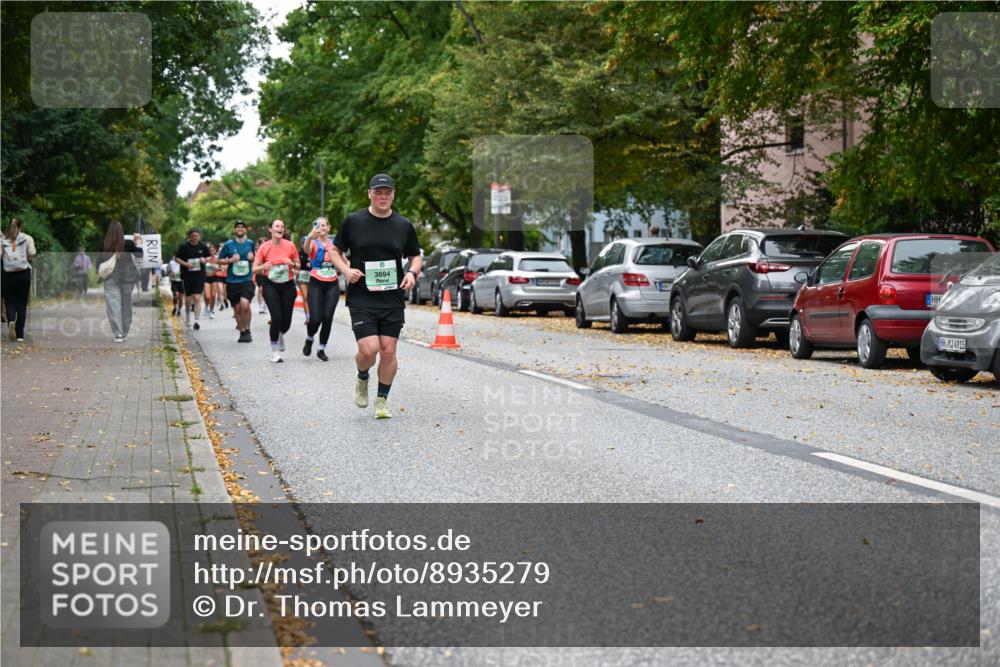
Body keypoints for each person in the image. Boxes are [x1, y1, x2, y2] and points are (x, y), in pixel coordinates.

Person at [329, 174, 421, 419]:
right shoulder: (354, 221)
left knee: (388, 351)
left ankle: (381, 401)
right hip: (362, 296)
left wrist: (412, 273)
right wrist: (346, 270)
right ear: (369, 193)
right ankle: (362, 376)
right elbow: (334, 251)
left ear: (393, 195)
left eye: (387, 192)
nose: (383, 196)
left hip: (392, 298)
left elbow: (415, 255)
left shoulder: (403, 225)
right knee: (369, 350)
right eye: (378, 192)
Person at [253, 219, 299, 362]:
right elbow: (254, 268)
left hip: (287, 285)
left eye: (282, 227)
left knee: (286, 322)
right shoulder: (264, 247)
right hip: (270, 285)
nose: (280, 228)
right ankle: (274, 352)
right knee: (276, 317)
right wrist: (263, 267)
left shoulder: (290, 245)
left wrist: (292, 263)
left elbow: (298, 265)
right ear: (270, 230)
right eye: (277, 226)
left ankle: (280, 334)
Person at [301, 218, 340, 361]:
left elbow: (342, 259)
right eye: (318, 225)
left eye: (324, 225)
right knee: (316, 318)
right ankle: (310, 338)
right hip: (316, 283)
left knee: (327, 317)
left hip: (332, 284)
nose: (321, 227)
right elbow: (306, 250)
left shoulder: (334, 244)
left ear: (328, 228)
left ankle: (322, 348)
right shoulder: (313, 242)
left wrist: (351, 269)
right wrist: (310, 237)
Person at [97, 221, 143, 342]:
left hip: (109, 278)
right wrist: (137, 243)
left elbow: (98, 263)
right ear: (121, 232)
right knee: (126, 304)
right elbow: (139, 255)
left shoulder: (104, 245)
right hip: (127, 278)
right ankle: (125, 330)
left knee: (113, 306)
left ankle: (118, 333)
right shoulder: (127, 244)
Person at [218, 219, 256, 343]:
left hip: (247, 280)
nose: (240, 228)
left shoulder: (250, 243)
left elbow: (255, 258)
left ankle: (248, 330)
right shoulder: (228, 245)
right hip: (232, 281)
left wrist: (252, 258)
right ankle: (242, 332)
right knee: (238, 309)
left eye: (242, 227)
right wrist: (230, 260)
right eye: (238, 227)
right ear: (234, 230)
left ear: (245, 230)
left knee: (245, 305)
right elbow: (219, 260)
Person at [1, 217, 37, 342]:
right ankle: (20, 334)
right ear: (21, 226)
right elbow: (32, 253)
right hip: (23, 274)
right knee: (22, 303)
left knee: (10, 301)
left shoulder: (3, 240)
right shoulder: (27, 238)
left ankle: (11, 319)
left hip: (8, 275)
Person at [173, 228, 211, 330]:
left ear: (199, 236)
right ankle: (187, 314)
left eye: (196, 236)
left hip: (200, 274)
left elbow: (209, 257)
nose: (195, 238)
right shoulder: (184, 246)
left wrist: (205, 259)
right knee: (188, 298)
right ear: (189, 237)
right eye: (193, 236)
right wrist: (186, 264)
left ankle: (196, 320)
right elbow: (176, 258)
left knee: (197, 297)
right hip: (187, 275)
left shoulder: (203, 246)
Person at [296, 238, 312, 326]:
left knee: (312, 297)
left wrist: (312, 264)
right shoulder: (299, 253)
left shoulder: (313, 252)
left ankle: (314, 315)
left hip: (313, 276)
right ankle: (308, 317)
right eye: (304, 243)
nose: (305, 245)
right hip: (302, 276)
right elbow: (295, 263)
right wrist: (296, 268)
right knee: (305, 297)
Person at [203, 242, 219, 319]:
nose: (211, 252)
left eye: (213, 250)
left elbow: (222, 268)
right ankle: (206, 306)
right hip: (206, 278)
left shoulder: (218, 259)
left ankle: (212, 311)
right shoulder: (206, 259)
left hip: (214, 278)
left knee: (213, 295)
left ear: (215, 251)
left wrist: (218, 269)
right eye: (210, 251)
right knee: (207, 296)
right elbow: (202, 268)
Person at [255, 236, 267, 314]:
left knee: (266, 290)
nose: (263, 244)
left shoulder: (270, 250)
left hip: (268, 273)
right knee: (260, 289)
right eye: (261, 243)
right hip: (259, 273)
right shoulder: (257, 252)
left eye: (264, 242)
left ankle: (265, 305)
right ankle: (261, 306)